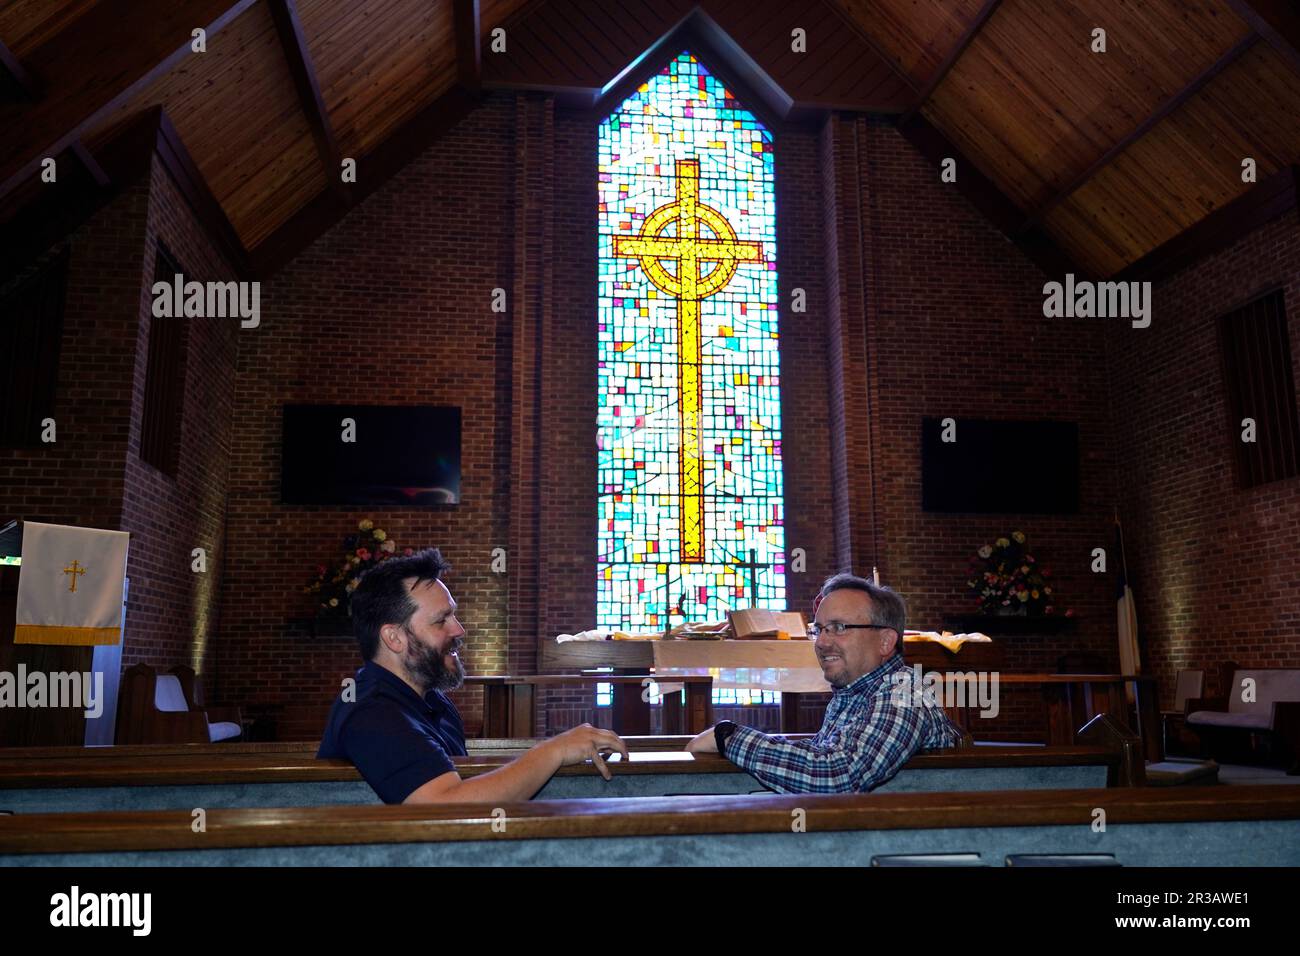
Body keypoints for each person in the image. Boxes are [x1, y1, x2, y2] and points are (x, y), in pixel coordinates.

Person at [318, 548, 627, 803]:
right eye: (442, 621)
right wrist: (554, 750)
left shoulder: (430, 699)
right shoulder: (372, 712)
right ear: (394, 638)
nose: (459, 630)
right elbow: (443, 807)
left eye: (454, 614)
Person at [685, 572, 963, 792]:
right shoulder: (855, 692)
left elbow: (838, 776)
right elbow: (821, 755)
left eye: (839, 628)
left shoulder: (905, 693)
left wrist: (728, 737)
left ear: (885, 641)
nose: (822, 642)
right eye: (819, 629)